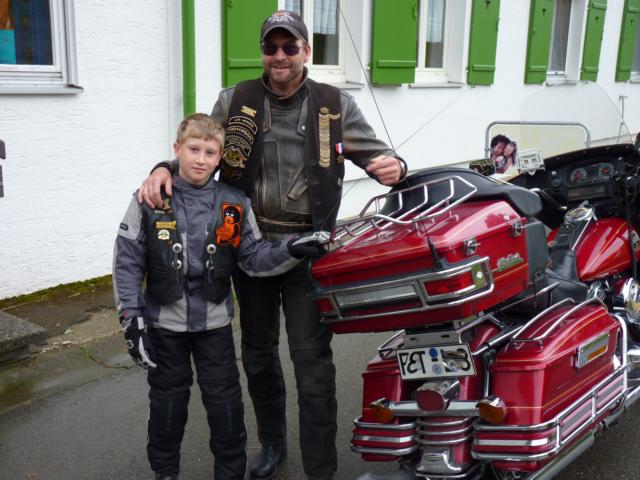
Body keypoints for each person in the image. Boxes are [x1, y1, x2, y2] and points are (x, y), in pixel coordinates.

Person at [138, 10, 407, 480]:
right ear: (262, 52)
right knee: (259, 357)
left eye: (289, 46)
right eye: (271, 47)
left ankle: (320, 468)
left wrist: (395, 166)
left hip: (309, 252)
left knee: (311, 363)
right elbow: (202, 149)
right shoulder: (235, 100)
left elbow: (378, 154)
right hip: (249, 249)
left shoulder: (335, 104)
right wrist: (164, 167)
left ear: (306, 50)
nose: (279, 55)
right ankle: (272, 446)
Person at [113, 113, 328, 480]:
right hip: (164, 325)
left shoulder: (235, 203)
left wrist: (292, 248)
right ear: (177, 149)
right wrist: (131, 320)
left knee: (225, 404)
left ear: (219, 158)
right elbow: (127, 260)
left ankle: (230, 473)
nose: (201, 159)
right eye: (193, 149)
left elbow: (254, 258)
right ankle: (165, 471)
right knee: (167, 403)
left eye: (210, 152)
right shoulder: (150, 198)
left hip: (215, 326)